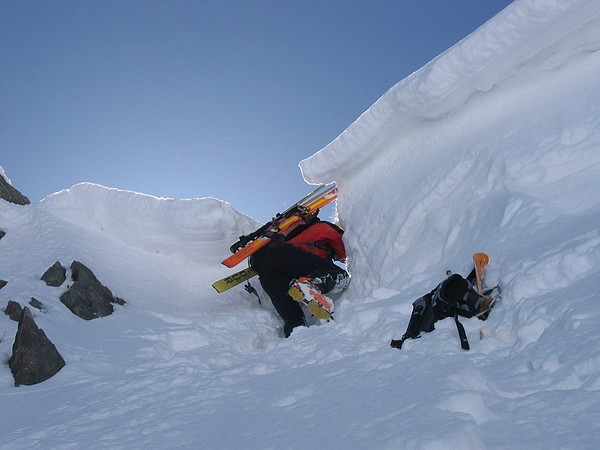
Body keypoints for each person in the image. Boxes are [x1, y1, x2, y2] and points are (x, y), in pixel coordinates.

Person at [249, 212, 350, 337]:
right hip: (283, 255)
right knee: (341, 274)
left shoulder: (289, 235)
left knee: (293, 319)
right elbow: (347, 246)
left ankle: (294, 338)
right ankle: (312, 284)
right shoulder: (323, 227)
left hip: (266, 272)